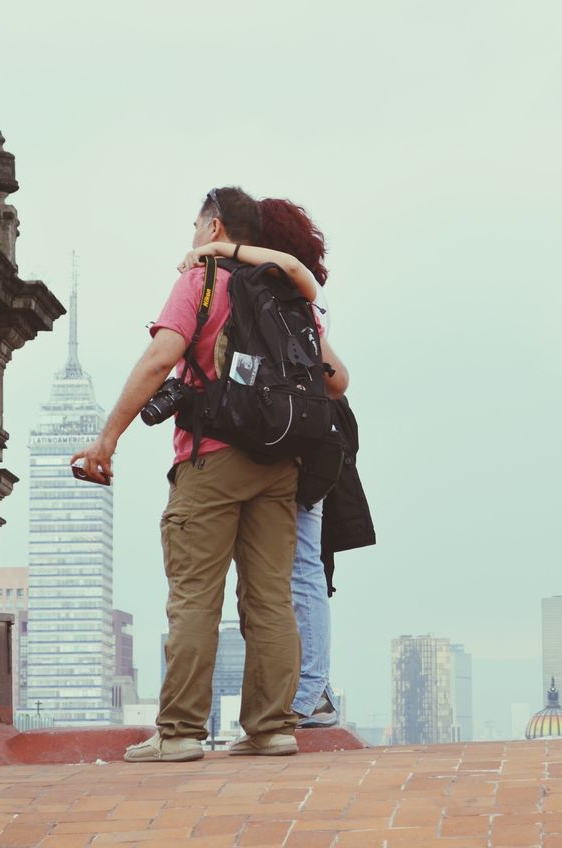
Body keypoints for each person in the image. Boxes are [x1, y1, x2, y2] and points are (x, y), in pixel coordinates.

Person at [74, 186, 302, 763]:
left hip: (211, 457)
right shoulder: (282, 291)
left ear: (214, 227)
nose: (192, 234)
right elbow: (333, 377)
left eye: (195, 224)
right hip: (279, 462)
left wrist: (109, 437)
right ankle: (272, 727)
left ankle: (179, 733)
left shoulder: (202, 281)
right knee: (271, 598)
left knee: (196, 597)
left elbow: (159, 358)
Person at [181, 197, 367, 730]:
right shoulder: (283, 296)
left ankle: (309, 692)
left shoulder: (279, 289)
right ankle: (311, 687)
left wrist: (219, 248)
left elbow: (337, 376)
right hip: (301, 439)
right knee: (288, 572)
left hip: (288, 444)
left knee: (298, 567)